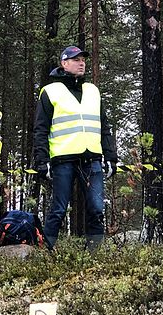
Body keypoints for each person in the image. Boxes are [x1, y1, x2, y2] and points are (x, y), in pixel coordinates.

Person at [33, 45, 119, 251]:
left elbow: (104, 126)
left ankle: (94, 255)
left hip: (93, 160)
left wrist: (111, 157)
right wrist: (42, 160)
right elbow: (40, 129)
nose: (81, 63)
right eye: (76, 59)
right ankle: (44, 252)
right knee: (58, 209)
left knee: (97, 208)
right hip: (63, 160)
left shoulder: (93, 91)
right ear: (64, 64)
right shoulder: (50, 91)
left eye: (83, 59)